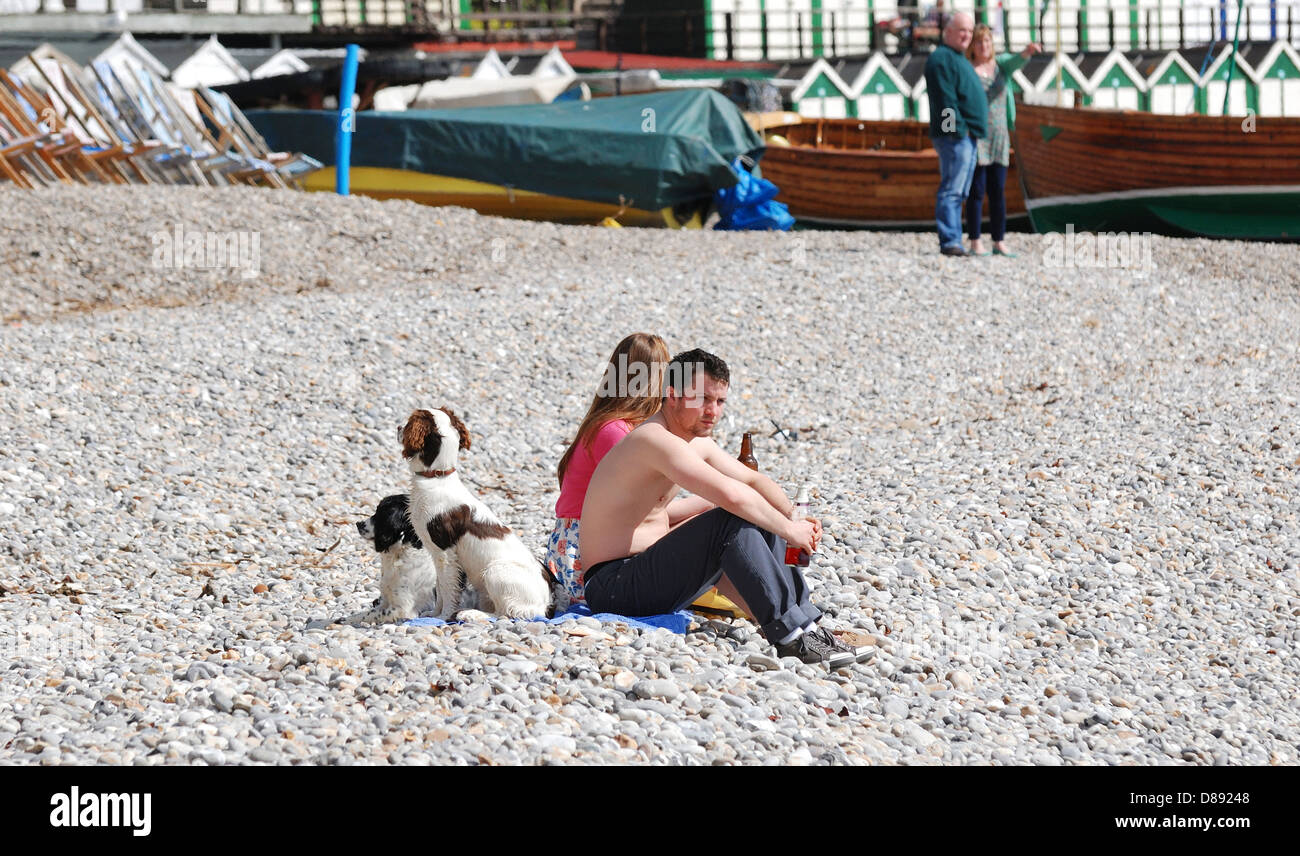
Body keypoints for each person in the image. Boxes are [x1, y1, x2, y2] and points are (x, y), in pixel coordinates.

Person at [579, 349, 859, 667]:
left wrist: (795, 516)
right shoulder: (653, 440)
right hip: (614, 587)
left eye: (720, 402)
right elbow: (733, 495)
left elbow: (753, 482)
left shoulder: (694, 442)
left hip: (649, 575)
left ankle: (807, 626)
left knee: (755, 512)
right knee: (731, 517)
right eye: (703, 399)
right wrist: (790, 531)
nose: (712, 411)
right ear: (672, 394)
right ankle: (791, 637)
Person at [547, 333, 670, 607]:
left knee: (706, 519)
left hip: (575, 544)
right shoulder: (615, 433)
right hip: (585, 557)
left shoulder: (608, 425)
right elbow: (650, 510)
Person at [965, 26, 1041, 257]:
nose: (983, 46)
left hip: (999, 136)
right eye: (979, 42)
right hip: (977, 136)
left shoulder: (1001, 67)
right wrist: (950, 129)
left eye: (987, 41)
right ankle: (976, 241)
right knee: (977, 191)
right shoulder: (968, 70)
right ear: (972, 47)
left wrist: (1027, 52)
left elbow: (1016, 61)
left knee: (998, 190)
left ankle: (999, 240)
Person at [923, 11, 987, 257]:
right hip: (956, 137)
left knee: (959, 191)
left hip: (967, 136)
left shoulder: (957, 58)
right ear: (947, 31)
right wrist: (954, 132)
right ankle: (950, 240)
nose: (967, 36)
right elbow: (945, 100)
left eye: (970, 31)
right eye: (962, 30)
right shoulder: (942, 59)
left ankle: (954, 239)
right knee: (952, 189)